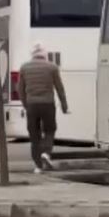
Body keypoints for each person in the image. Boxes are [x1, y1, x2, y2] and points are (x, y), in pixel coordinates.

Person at [17, 43, 68, 173]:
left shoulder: (24, 68)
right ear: (44, 55)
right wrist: (64, 105)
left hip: (32, 105)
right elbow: (59, 88)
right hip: (47, 104)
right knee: (50, 130)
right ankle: (46, 153)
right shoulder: (52, 67)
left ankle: (38, 166)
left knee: (34, 135)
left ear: (32, 54)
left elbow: (20, 89)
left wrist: (25, 104)